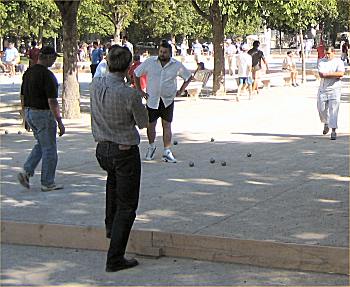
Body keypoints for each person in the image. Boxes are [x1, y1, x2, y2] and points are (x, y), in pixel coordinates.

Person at [90, 45, 148, 272]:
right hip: (124, 150)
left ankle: (109, 227)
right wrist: (140, 99)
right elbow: (142, 123)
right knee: (127, 205)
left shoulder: (96, 84)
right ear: (129, 66)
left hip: (102, 149)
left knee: (112, 186)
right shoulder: (129, 93)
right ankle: (115, 258)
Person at [134, 40, 192, 163]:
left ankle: (167, 150)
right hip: (152, 99)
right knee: (151, 125)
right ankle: (151, 146)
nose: (162, 54)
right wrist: (140, 90)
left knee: (167, 125)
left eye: (165, 52)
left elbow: (188, 76)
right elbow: (136, 73)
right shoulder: (150, 62)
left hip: (167, 100)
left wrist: (181, 90)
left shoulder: (176, 65)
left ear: (170, 53)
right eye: (161, 51)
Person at [17, 46, 65, 191]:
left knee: (41, 144)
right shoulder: (48, 76)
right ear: (48, 58)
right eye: (54, 58)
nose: (55, 60)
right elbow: (52, 101)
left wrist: (24, 116)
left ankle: (27, 170)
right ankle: (47, 182)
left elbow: (22, 96)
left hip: (30, 112)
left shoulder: (28, 73)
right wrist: (59, 121)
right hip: (43, 114)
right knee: (50, 149)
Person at [317, 46, 345, 140]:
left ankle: (333, 130)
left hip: (335, 89)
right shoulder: (321, 61)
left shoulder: (339, 62)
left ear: (333, 53)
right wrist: (334, 74)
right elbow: (322, 74)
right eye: (326, 53)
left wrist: (328, 74)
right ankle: (326, 123)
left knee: (334, 110)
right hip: (323, 89)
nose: (327, 55)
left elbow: (341, 74)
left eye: (328, 53)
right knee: (321, 109)